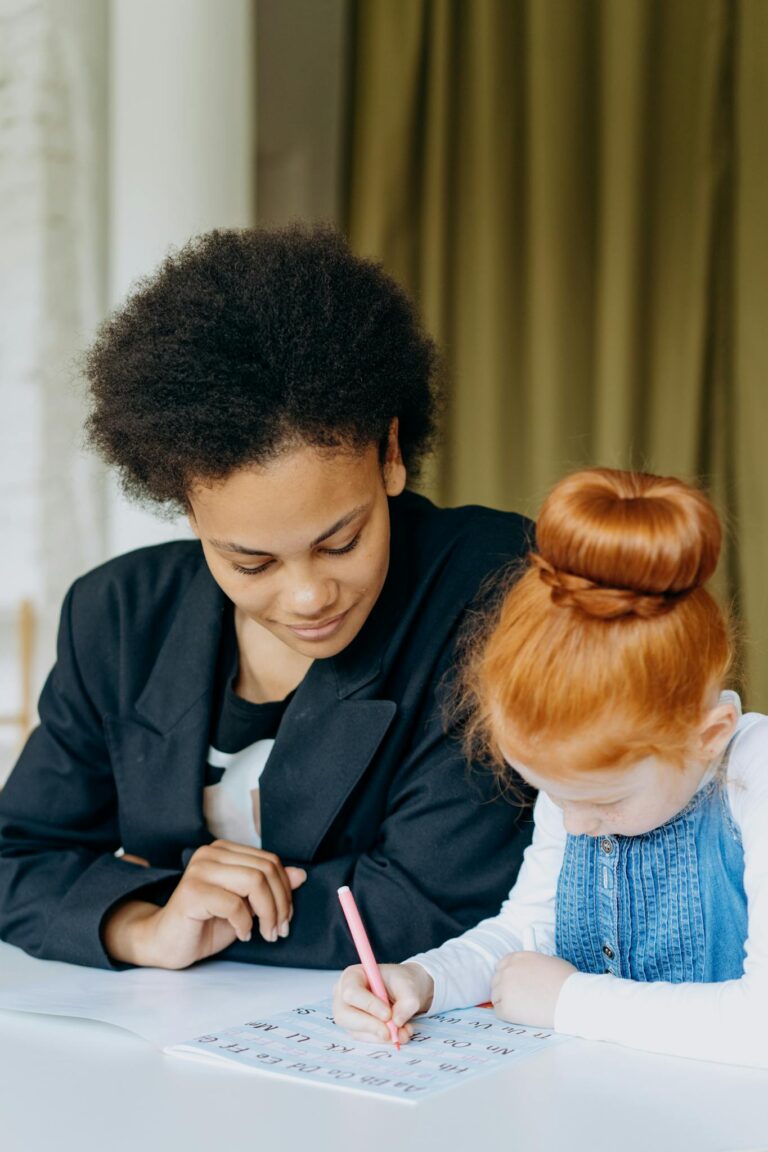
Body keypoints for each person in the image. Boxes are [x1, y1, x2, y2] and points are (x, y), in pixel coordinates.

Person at [0, 226, 533, 971]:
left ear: (389, 454)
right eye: (250, 562)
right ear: (187, 509)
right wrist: (144, 926)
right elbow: (17, 856)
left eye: (341, 541)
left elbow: (435, 899)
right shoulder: (120, 616)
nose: (310, 595)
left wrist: (194, 908)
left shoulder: (491, 586)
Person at [333, 467, 768, 1069]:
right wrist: (422, 979)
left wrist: (569, 1001)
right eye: (553, 797)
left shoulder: (755, 775)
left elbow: (758, 1022)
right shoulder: (577, 794)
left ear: (706, 737)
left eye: (606, 800)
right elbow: (526, 935)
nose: (578, 824)